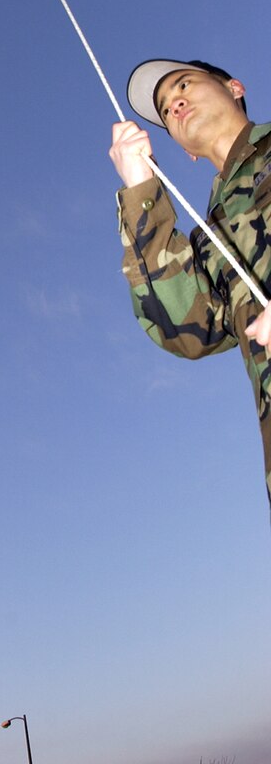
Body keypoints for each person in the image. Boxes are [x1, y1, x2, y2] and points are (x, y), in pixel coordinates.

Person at [109, 58, 271, 508]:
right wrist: (141, 192)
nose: (173, 102)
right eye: (164, 109)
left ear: (234, 87)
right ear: (186, 152)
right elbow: (185, 329)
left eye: (184, 84)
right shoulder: (210, 240)